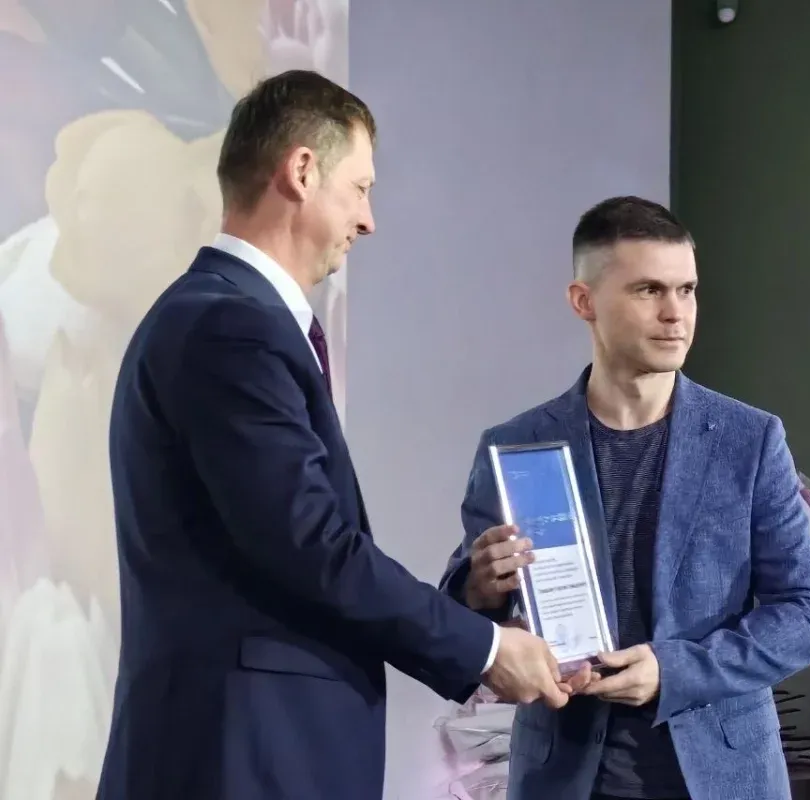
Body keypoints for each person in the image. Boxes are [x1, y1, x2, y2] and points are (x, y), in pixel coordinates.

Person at [96, 70, 568, 800]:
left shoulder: (220, 317)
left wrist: (468, 612)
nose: (369, 220)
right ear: (302, 170)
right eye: (360, 188)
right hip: (243, 759)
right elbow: (310, 544)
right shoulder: (230, 326)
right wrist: (482, 648)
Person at [439, 196, 810, 800]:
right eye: (649, 290)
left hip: (718, 778)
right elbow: (465, 618)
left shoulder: (749, 440)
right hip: (565, 775)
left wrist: (673, 671)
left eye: (688, 290)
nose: (675, 313)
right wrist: (478, 589)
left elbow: (808, 615)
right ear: (584, 301)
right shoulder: (519, 445)